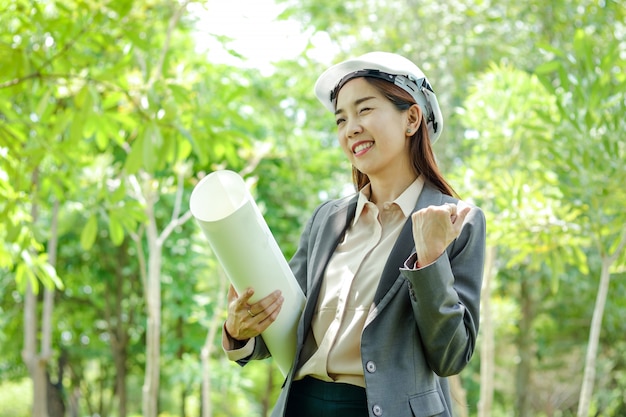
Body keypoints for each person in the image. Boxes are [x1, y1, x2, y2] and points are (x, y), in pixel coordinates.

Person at [222, 51, 486, 417]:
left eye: (364, 110)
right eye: (340, 120)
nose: (351, 129)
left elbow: (451, 354)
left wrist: (430, 260)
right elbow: (289, 322)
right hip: (302, 405)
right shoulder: (326, 220)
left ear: (411, 118)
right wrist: (240, 331)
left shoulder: (458, 221)